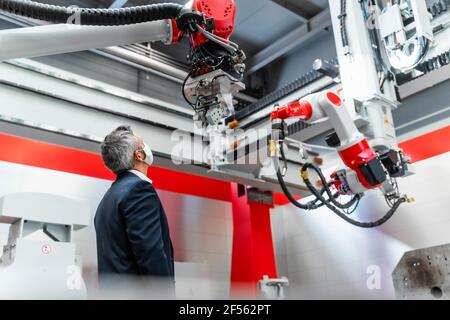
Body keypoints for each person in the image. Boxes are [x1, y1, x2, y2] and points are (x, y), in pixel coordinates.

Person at [94, 125, 174, 292]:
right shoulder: (139, 190)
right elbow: (151, 254)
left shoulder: (108, 199)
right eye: (143, 143)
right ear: (139, 155)